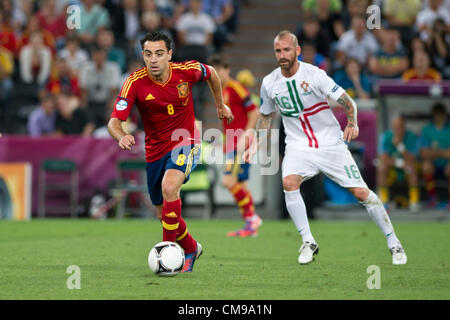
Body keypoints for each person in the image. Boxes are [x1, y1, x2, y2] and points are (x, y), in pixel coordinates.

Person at [244, 31, 407, 265]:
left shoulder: (314, 75)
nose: (282, 55)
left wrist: (352, 122)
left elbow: (347, 101)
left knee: (361, 193)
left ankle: (394, 243)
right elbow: (266, 116)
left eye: (287, 50)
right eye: (278, 51)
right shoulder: (270, 83)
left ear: (297, 51)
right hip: (298, 146)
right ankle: (308, 241)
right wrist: (257, 143)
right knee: (289, 183)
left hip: (330, 144)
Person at [107, 31, 233, 272]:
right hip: (155, 151)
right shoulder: (134, 82)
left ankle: (166, 253)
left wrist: (219, 103)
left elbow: (212, 73)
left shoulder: (186, 70)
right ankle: (191, 247)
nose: (153, 59)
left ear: (169, 55)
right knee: (162, 213)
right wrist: (121, 136)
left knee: (169, 186)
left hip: (186, 141)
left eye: (159, 54)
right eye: (148, 54)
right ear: (142, 55)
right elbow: (114, 122)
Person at [208, 53, 262, 237]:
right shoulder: (220, 91)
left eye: (219, 70)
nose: (216, 74)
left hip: (241, 143)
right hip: (232, 142)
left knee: (227, 181)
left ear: (227, 70)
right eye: (213, 71)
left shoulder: (236, 88)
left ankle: (252, 219)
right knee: (241, 183)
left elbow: (254, 113)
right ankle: (251, 224)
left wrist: (246, 136)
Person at [377, 115, 420, 211]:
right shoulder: (386, 137)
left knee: (411, 167)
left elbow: (412, 158)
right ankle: (383, 201)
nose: (397, 130)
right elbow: (383, 158)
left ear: (404, 126)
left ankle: (414, 202)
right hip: (393, 169)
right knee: (382, 167)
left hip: (407, 169)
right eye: (395, 127)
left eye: (399, 127)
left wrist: (399, 146)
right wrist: (400, 163)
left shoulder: (411, 137)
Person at [419, 103, 450, 208]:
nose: (439, 116)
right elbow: (423, 153)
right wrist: (443, 152)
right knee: (426, 166)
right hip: (433, 163)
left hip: (446, 164)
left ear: (445, 115)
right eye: (437, 114)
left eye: (441, 114)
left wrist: (434, 152)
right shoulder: (426, 130)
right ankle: (433, 197)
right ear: (433, 115)